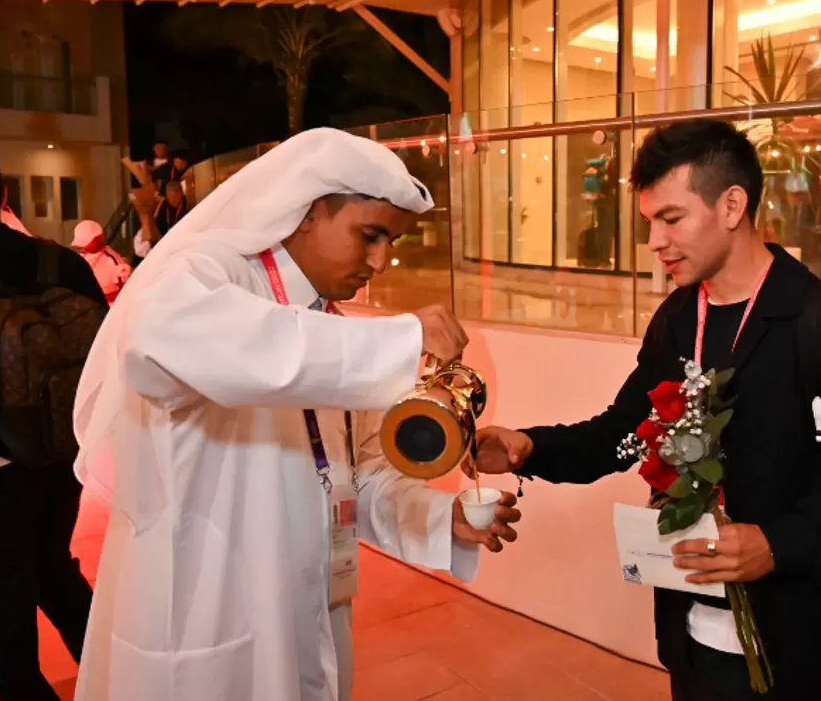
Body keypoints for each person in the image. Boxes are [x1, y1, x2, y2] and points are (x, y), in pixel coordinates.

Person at [474, 120, 821, 700]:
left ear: (732, 204)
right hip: (691, 635)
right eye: (649, 224)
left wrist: (776, 542)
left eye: (671, 218)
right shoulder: (679, 319)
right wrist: (529, 447)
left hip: (803, 641)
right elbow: (626, 431)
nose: (655, 243)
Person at [71, 128, 521, 701]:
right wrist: (399, 339)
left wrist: (441, 521)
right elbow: (169, 337)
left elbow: (354, 477)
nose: (381, 262)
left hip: (307, 616)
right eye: (370, 235)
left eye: (392, 242)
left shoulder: (321, 325)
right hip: (204, 620)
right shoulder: (204, 273)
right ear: (308, 210)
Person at [0, 140, 101, 700]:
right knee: (53, 567)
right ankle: (120, 678)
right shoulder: (62, 260)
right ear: (2, 194)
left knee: (2, 603)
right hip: (65, 453)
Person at [71, 219, 132, 304]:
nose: (82, 248)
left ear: (97, 239)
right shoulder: (78, 258)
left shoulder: (110, 258)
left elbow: (126, 283)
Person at [133, 180, 191, 258]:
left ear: (180, 194)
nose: (173, 200)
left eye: (175, 196)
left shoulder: (188, 206)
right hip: (161, 245)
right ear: (167, 194)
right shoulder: (161, 205)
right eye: (170, 196)